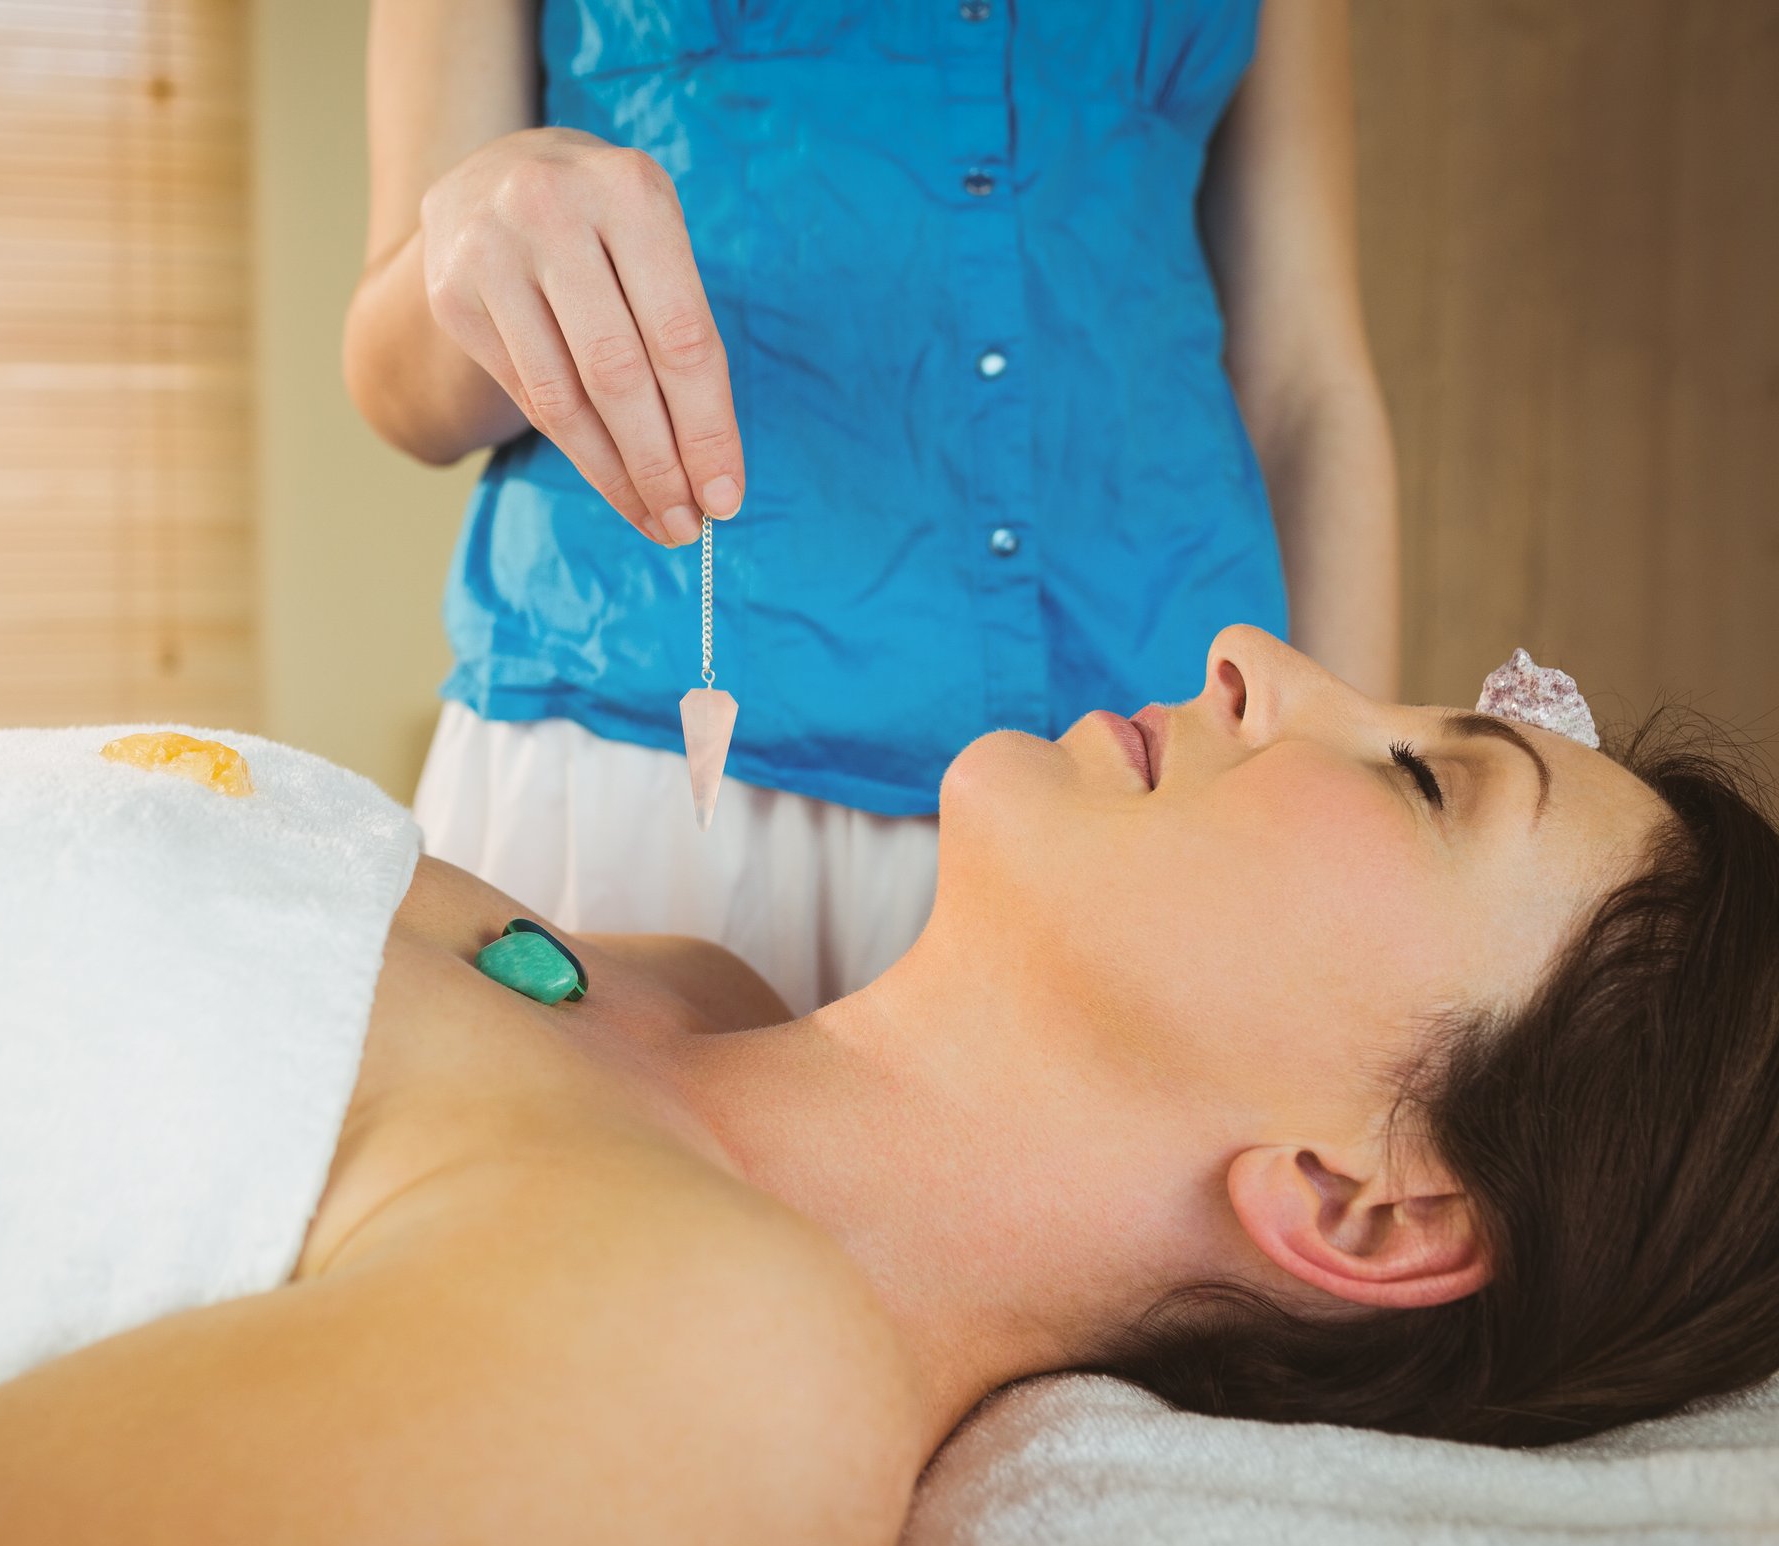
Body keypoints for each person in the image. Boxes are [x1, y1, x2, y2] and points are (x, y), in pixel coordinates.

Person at [0, 626, 1779, 1546]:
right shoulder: (674, 991)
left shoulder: (702, 1370)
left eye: (1412, 772)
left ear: (1359, 1207)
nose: (1268, 654)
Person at [348, 1, 1401, 1012]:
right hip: (636, 789)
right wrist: (476, 233)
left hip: (1161, 799)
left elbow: (1307, 383)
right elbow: (399, 389)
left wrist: (1360, 834)